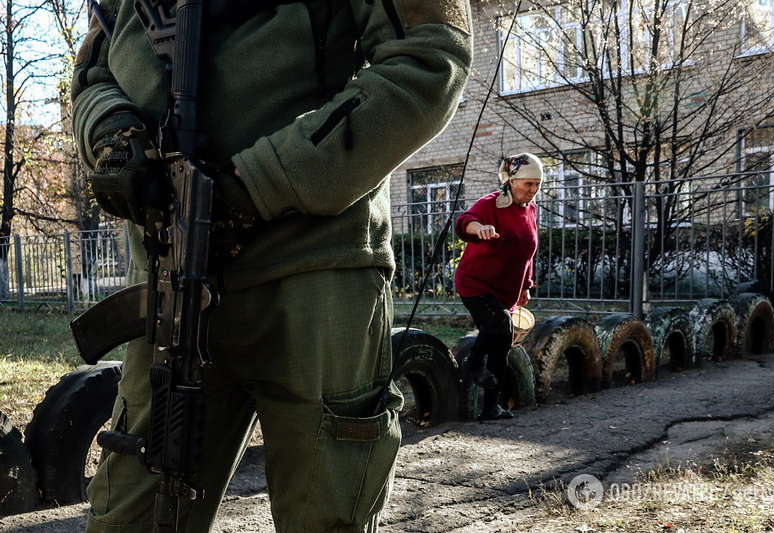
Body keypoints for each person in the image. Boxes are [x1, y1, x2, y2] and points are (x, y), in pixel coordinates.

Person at [71, 1, 472, 532]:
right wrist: (113, 135)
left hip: (314, 273)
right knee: (131, 517)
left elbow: (429, 59)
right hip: (171, 276)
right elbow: (92, 73)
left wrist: (256, 184)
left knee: (325, 516)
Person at [454, 153, 542, 421]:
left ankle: (491, 407)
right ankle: (472, 363)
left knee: (502, 345)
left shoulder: (531, 209)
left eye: (537, 185)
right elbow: (464, 221)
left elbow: (527, 251)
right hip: (475, 283)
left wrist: (526, 285)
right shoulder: (492, 203)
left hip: (506, 290)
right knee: (499, 326)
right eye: (528, 184)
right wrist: (478, 228)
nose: (533, 190)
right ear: (512, 180)